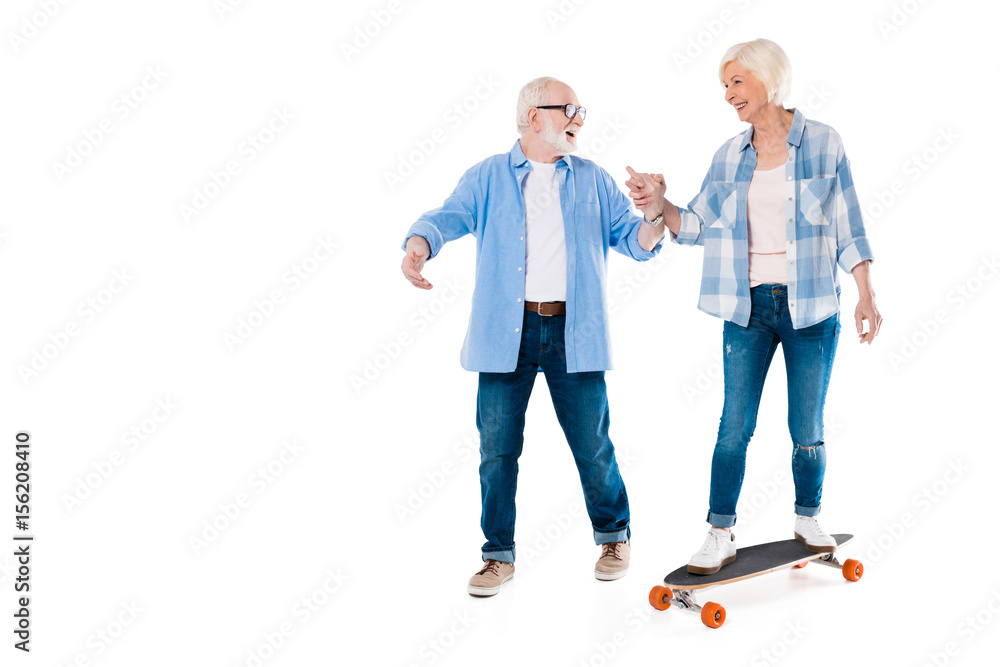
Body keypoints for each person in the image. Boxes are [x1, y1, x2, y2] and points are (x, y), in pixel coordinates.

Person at [401, 76, 666, 596]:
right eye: (569, 109)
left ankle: (614, 535)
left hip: (575, 332)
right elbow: (447, 216)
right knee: (497, 450)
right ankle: (497, 557)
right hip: (506, 333)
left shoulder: (593, 179)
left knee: (592, 444)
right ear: (532, 116)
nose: (579, 119)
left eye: (581, 110)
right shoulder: (488, 177)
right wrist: (418, 245)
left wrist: (655, 212)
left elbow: (635, 243)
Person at [627, 38, 882, 575]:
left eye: (736, 82)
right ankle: (719, 532)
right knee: (733, 425)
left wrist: (865, 293)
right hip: (748, 309)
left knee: (805, 426)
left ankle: (807, 518)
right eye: (724, 85)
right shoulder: (728, 157)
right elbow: (693, 225)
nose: (728, 95)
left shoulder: (824, 143)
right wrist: (659, 203)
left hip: (812, 310)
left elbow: (847, 226)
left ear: (769, 79)